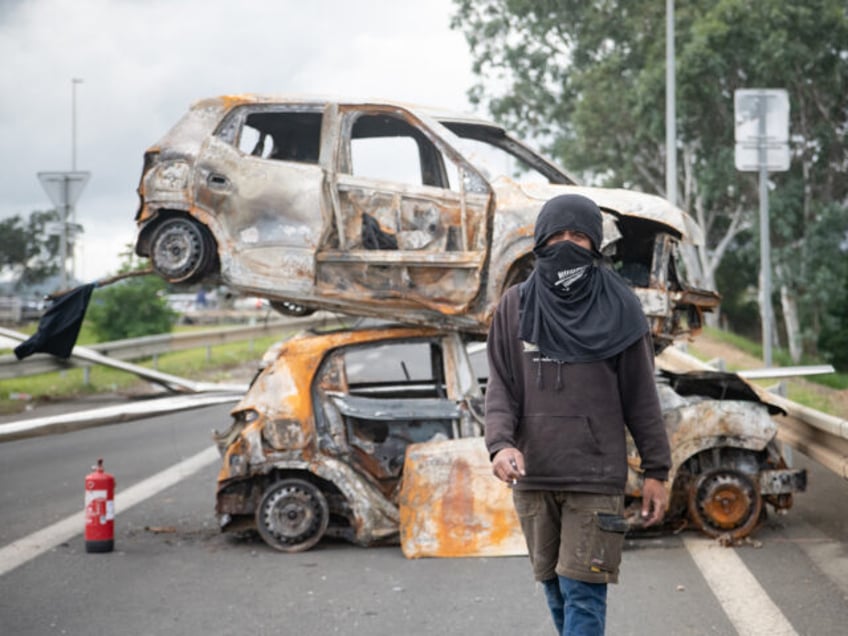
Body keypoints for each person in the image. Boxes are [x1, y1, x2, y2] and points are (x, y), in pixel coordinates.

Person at [484, 193, 671, 635]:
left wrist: (656, 471)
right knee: (554, 589)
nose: (567, 244)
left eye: (580, 236)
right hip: (534, 476)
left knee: (582, 594)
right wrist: (500, 444)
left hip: (594, 477)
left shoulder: (621, 308)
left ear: (596, 245)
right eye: (558, 235)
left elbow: (642, 397)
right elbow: (501, 386)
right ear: (540, 241)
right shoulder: (515, 306)